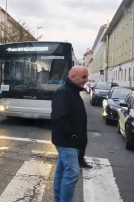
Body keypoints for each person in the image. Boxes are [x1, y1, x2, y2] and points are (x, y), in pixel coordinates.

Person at [52, 66, 89, 202]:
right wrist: (73, 136)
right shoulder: (64, 92)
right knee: (72, 173)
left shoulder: (72, 91)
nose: (87, 79)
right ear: (72, 76)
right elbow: (59, 118)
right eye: (84, 77)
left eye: (87, 76)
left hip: (69, 140)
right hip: (67, 141)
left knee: (62, 172)